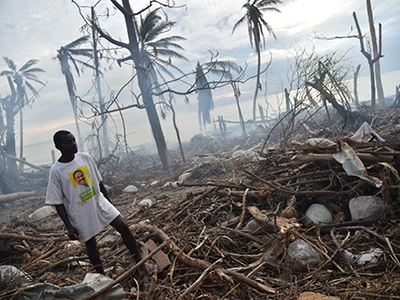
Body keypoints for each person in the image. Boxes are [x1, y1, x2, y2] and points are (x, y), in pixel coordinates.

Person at [46, 130, 152, 275]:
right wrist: (69, 226)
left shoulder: (85, 158)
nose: (73, 144)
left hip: (99, 202)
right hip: (80, 211)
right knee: (91, 244)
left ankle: (140, 263)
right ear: (59, 146)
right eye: (68, 142)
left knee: (124, 227)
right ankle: (102, 276)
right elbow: (57, 202)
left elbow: (99, 181)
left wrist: (109, 203)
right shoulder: (56, 170)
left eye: (74, 140)